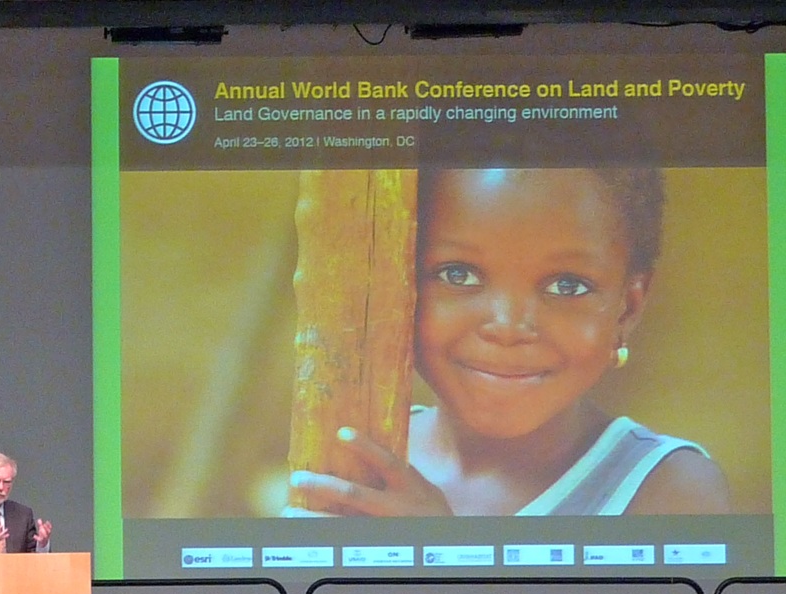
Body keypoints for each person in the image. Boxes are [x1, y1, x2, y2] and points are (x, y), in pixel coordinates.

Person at [286, 167, 732, 517]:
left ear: (627, 309)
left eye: (566, 285)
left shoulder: (670, 489)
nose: (508, 327)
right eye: (458, 274)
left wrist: (446, 555)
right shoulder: (352, 458)